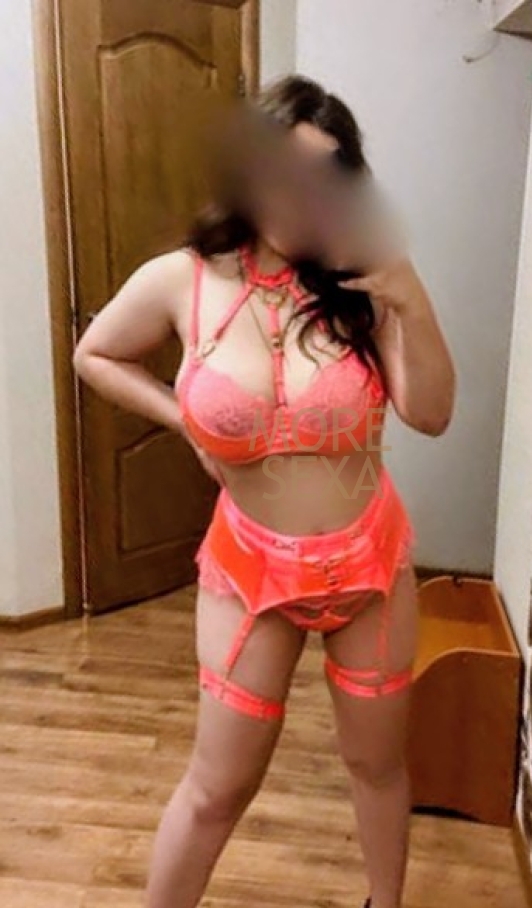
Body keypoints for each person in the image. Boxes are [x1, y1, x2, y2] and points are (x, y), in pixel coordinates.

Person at [73, 75, 456, 908]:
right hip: (250, 571)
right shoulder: (181, 280)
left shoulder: (367, 284)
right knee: (216, 787)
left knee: (377, 765)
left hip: (370, 564)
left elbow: (431, 415)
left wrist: (411, 298)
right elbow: (94, 354)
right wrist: (184, 418)